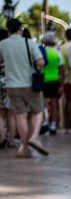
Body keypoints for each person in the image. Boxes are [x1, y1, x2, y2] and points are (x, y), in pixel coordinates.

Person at [0, 19, 47, 158]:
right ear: (20, 28)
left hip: (12, 86)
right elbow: (40, 62)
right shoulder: (28, 42)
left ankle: (24, 147)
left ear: (8, 31)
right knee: (38, 111)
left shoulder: (2, 44)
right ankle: (35, 137)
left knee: (20, 116)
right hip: (29, 84)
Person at [42, 33, 64, 135]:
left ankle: (43, 123)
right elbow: (62, 69)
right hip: (54, 81)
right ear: (53, 42)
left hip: (42, 80)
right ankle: (53, 126)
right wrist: (61, 85)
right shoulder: (57, 52)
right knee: (54, 104)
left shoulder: (40, 52)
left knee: (41, 104)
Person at [0, 29, 16, 149]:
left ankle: (3, 136)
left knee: (0, 114)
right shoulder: (10, 49)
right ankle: (12, 141)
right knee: (11, 114)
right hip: (10, 82)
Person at [60, 28, 71, 133]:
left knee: (67, 102)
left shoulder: (62, 48)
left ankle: (67, 126)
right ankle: (70, 126)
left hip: (64, 79)